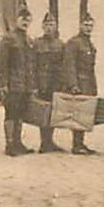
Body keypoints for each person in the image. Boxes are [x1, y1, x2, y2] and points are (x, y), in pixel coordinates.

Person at [0, 7, 36, 156]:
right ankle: (10, 144)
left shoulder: (29, 40)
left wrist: (32, 85)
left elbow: (31, 64)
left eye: (27, 19)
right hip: (12, 85)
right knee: (11, 114)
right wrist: (2, 84)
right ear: (16, 20)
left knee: (21, 114)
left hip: (25, 85)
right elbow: (1, 63)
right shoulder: (8, 39)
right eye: (22, 18)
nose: (25, 21)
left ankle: (18, 143)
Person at [61, 13, 100, 155]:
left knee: (85, 114)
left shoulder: (89, 44)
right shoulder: (74, 42)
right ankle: (76, 145)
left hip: (88, 83)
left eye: (91, 25)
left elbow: (91, 68)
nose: (88, 28)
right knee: (77, 114)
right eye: (86, 25)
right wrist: (73, 84)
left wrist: (94, 86)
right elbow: (69, 64)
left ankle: (81, 143)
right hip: (78, 83)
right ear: (80, 25)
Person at [32, 13, 66, 153]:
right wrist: (34, 84)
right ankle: (43, 142)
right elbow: (32, 65)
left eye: (51, 25)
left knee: (53, 111)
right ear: (42, 26)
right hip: (42, 82)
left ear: (56, 26)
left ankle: (49, 141)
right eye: (46, 25)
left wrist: (64, 84)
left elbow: (64, 65)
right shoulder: (36, 43)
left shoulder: (61, 44)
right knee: (42, 111)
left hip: (55, 83)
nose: (48, 28)